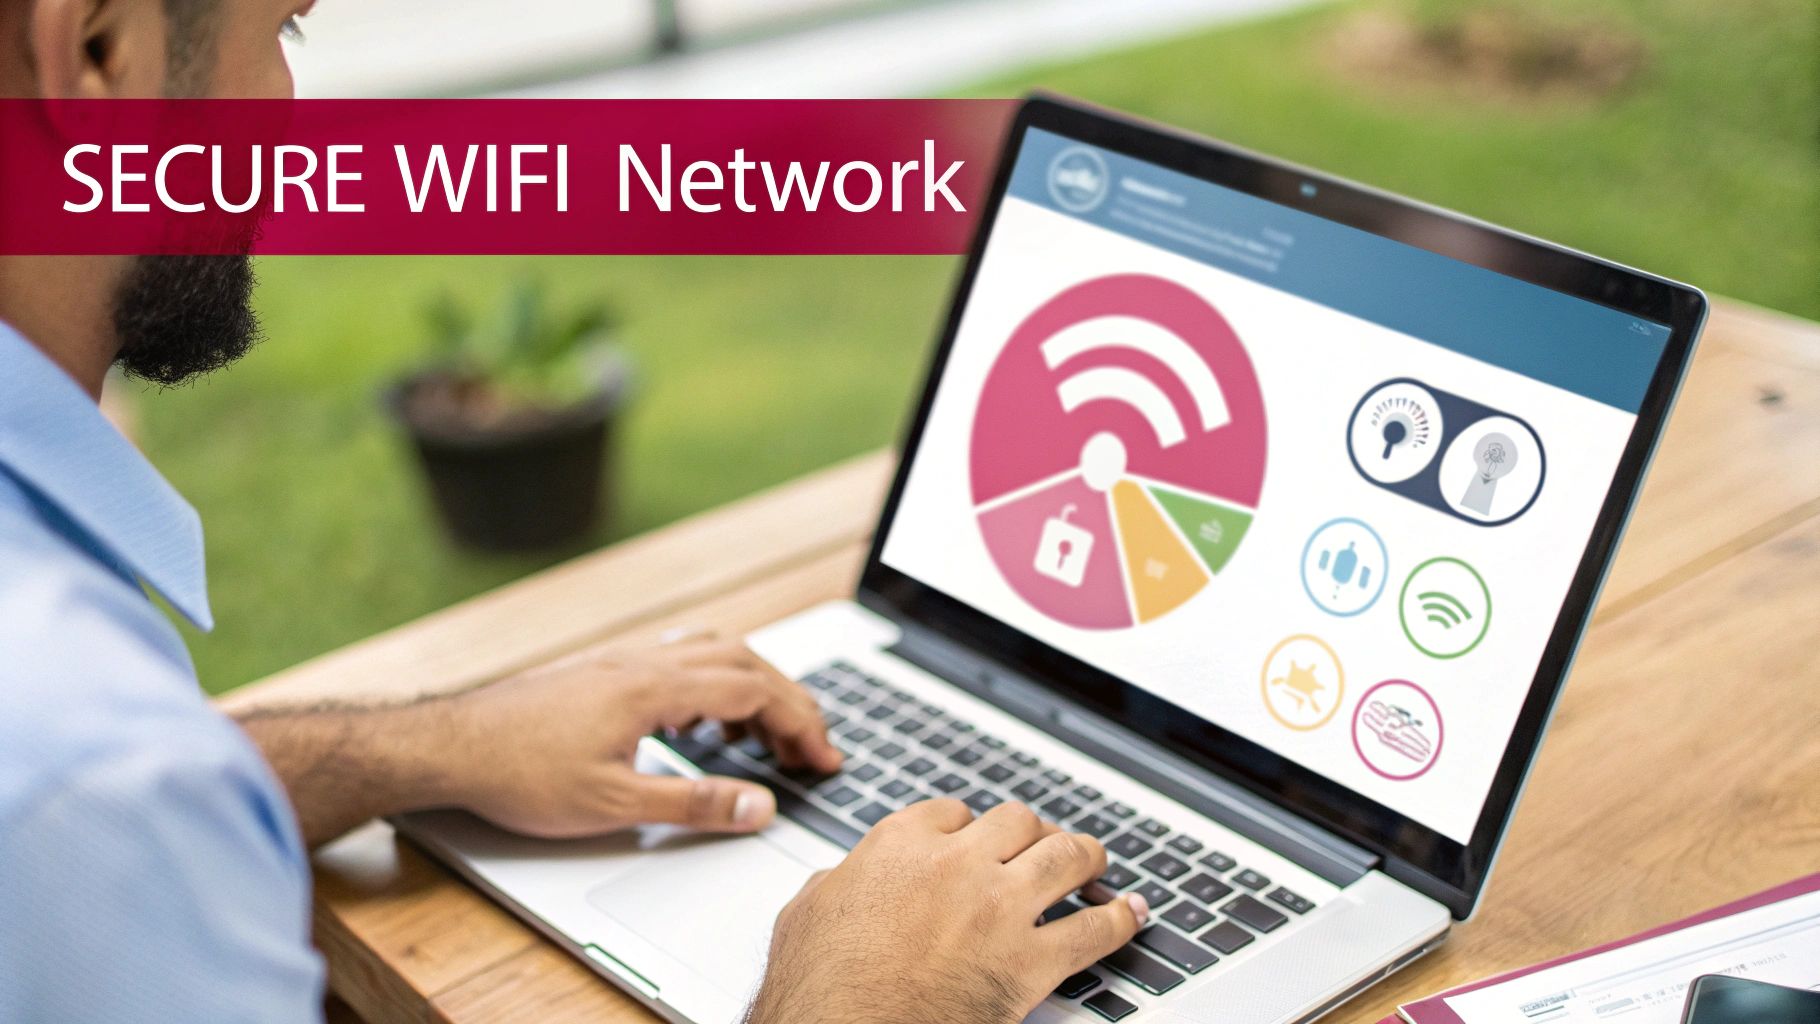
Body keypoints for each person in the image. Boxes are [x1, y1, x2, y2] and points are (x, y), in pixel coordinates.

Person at [0, 2, 1150, 1021]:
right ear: (93, 48)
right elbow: (91, 801)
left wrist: (418, 747)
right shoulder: (84, 769)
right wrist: (873, 997)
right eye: (283, 31)